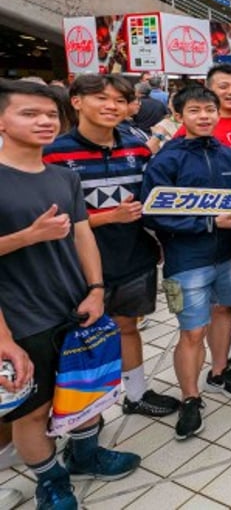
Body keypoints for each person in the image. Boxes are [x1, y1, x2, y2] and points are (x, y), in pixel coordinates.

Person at [0, 79, 141, 509]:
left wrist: (96, 290)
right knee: (33, 410)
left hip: (77, 306)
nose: (44, 121)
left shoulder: (62, 177)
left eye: (49, 114)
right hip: (21, 317)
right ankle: (50, 481)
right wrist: (28, 236)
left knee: (86, 390)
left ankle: (86, 453)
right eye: (29, 113)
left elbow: (83, 237)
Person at [42, 75, 179, 418]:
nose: (111, 106)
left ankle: (136, 394)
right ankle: (86, 415)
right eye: (101, 98)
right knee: (82, 338)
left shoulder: (136, 146)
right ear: (76, 102)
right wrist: (109, 217)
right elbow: (50, 219)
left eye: (120, 100)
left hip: (133, 255)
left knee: (128, 326)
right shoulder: (53, 153)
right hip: (74, 266)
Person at [142, 86, 231, 441]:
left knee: (224, 312)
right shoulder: (166, 160)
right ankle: (190, 397)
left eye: (210, 109)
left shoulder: (228, 155)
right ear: (179, 114)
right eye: (195, 110)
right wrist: (205, 223)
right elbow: (153, 214)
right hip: (186, 258)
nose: (204, 116)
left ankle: (219, 372)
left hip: (228, 253)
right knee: (191, 331)